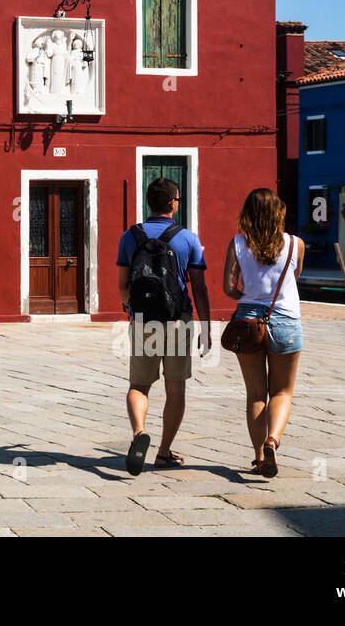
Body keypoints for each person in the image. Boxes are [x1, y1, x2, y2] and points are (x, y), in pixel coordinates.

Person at [117, 177, 211, 475]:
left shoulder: (129, 237)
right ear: (173, 203)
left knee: (139, 385)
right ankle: (164, 452)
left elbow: (122, 285)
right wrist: (205, 327)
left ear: (149, 203)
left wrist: (129, 308)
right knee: (175, 389)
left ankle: (139, 432)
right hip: (178, 320)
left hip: (144, 319)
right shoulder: (189, 239)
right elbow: (199, 287)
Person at [222, 188, 304, 478]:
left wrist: (249, 295)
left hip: (248, 323)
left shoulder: (238, 243)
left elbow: (229, 288)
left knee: (256, 393)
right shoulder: (296, 244)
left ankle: (259, 457)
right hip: (286, 322)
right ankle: (273, 440)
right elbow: (293, 279)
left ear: (248, 213)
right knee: (282, 391)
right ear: (279, 212)